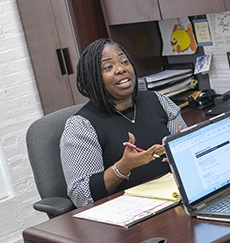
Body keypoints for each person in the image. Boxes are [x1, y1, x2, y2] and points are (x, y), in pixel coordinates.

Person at [60, 38, 187, 208]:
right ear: (93, 78)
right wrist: (123, 167)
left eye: (124, 61)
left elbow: (187, 155)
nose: (121, 69)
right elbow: (81, 196)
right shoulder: (81, 126)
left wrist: (184, 150)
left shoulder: (158, 100)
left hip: (174, 201)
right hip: (128, 215)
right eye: (108, 67)